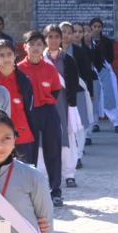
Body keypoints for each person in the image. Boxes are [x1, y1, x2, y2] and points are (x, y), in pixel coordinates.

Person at [17, 31, 65, 207]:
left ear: (43, 47)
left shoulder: (50, 68)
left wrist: (46, 102)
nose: (35, 48)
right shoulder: (19, 69)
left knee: (53, 150)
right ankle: (29, 191)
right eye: (32, 44)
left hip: (48, 111)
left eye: (39, 44)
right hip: (28, 113)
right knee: (29, 153)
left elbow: (55, 90)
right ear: (25, 47)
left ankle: (55, 191)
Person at [44, 25, 81, 189]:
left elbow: (72, 83)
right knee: (44, 139)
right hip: (44, 103)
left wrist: (72, 104)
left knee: (66, 137)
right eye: (50, 36)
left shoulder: (67, 59)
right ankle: (45, 174)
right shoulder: (38, 59)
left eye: (56, 37)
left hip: (63, 103)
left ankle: (69, 174)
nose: (53, 40)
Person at [0, 40, 36, 161]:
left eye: (9, 54)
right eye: (1, 55)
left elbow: (30, 108)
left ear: (15, 55)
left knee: (25, 173)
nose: (6, 58)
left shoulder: (24, 80)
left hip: (22, 134)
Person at [89, 18, 118, 133]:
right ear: (91, 28)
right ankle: (94, 123)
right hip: (91, 73)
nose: (97, 29)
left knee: (110, 96)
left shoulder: (107, 41)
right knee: (93, 98)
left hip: (105, 71)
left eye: (99, 26)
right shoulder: (87, 41)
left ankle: (116, 122)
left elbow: (111, 57)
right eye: (94, 26)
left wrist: (103, 63)